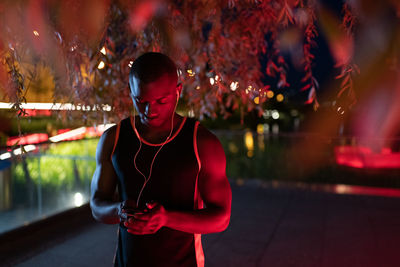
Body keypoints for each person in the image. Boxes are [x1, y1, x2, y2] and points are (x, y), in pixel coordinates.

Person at [90, 52, 232, 267]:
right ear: (131, 92)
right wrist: (118, 210)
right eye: (141, 101)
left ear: (178, 91)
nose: (150, 110)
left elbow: (221, 218)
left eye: (161, 101)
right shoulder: (113, 138)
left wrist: (166, 218)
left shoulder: (202, 142)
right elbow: (96, 206)